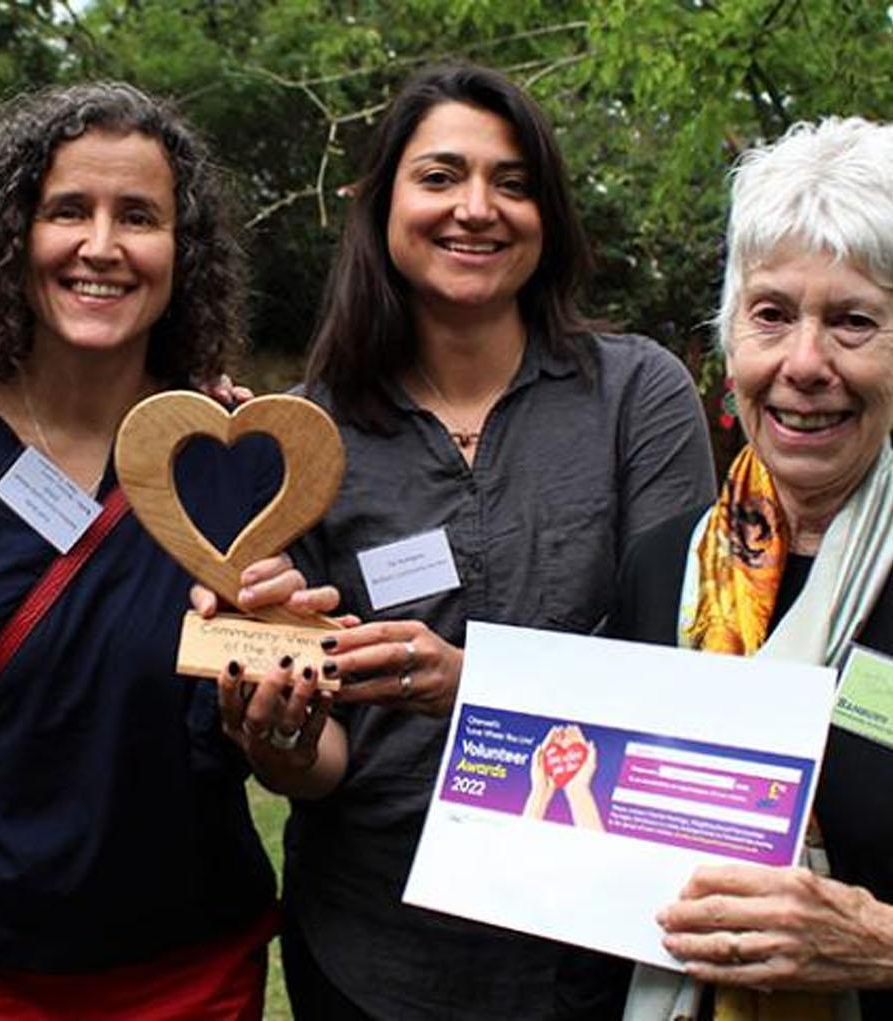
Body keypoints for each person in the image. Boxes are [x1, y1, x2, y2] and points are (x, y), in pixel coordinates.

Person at [217, 63, 717, 1019]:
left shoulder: (636, 395)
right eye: (440, 176)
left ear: (549, 214)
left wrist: (474, 684)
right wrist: (275, 731)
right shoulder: (310, 432)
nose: (476, 209)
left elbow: (683, 680)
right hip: (376, 952)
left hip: (597, 943)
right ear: (382, 205)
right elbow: (321, 758)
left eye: (513, 182)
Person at [0, 82, 325, 1019]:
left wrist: (280, 707)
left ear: (182, 252)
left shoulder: (240, 463)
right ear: (12, 236)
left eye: (138, 216)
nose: (101, 246)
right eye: (69, 210)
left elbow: (286, 742)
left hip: (184, 971)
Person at [610, 117, 893, 1021]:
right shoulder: (664, 569)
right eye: (771, 314)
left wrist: (880, 945)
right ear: (730, 339)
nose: (804, 364)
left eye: (854, 321)